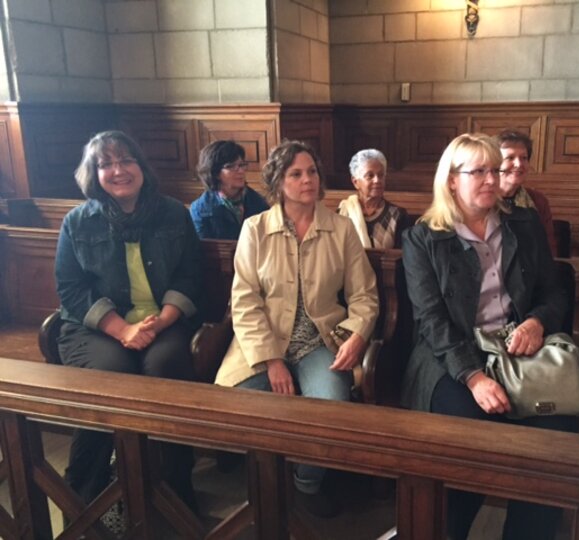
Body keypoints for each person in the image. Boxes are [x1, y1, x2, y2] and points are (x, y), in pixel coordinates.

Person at [401, 133, 576, 539]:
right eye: (477, 171)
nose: (491, 179)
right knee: (474, 437)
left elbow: (554, 291)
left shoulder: (523, 224)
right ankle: (448, 530)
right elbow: (431, 321)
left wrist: (536, 322)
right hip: (452, 355)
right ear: (451, 180)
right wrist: (474, 376)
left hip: (519, 347)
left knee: (554, 436)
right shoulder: (423, 237)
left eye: (494, 170)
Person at [214, 140, 379, 518]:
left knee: (330, 409)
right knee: (236, 404)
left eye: (312, 172)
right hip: (264, 344)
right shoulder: (254, 229)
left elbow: (365, 295)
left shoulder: (341, 229)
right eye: (296, 173)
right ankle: (265, 486)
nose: (308, 180)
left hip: (321, 341)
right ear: (278, 182)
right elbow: (244, 301)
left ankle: (306, 481)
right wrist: (272, 360)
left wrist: (356, 335)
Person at [55, 130, 201, 513]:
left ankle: (174, 491)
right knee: (111, 378)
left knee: (165, 368)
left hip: (164, 322)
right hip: (95, 328)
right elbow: (71, 289)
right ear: (94, 174)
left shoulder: (173, 213)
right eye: (106, 164)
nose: (118, 170)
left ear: (141, 165)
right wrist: (122, 329)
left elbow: (190, 275)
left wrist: (161, 322)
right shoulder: (77, 222)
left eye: (126, 160)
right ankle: (85, 496)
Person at [190, 140, 269, 239]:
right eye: (231, 166)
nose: (240, 171)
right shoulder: (200, 210)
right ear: (215, 173)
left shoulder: (259, 202)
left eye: (241, 165)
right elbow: (202, 249)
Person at [496, 129, 557, 256]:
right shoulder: (483, 199)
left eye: (524, 158)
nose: (519, 164)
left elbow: (548, 248)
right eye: (510, 158)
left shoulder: (538, 200)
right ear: (495, 163)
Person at [337, 148, 410, 248]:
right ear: (355, 182)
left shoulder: (397, 215)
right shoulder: (343, 213)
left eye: (381, 175)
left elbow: (402, 256)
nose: (377, 180)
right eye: (370, 176)